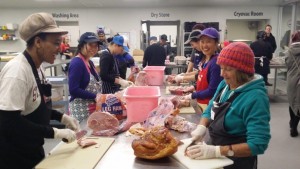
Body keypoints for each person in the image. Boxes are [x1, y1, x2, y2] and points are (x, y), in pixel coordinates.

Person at [0, 12, 80, 169]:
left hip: (32, 148)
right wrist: (54, 132)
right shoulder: (17, 72)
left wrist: (62, 117)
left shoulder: (38, 68)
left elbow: (37, 104)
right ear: (38, 42)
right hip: (14, 157)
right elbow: (8, 122)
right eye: (56, 43)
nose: (60, 48)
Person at [186, 42, 271, 169]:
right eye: (221, 67)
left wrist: (217, 151)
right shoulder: (225, 85)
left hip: (236, 161)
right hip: (214, 153)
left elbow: (258, 144)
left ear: (243, 71)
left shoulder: (256, 98)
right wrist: (202, 126)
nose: (222, 74)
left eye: (228, 69)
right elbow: (211, 107)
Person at [175, 27, 223, 113]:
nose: (204, 45)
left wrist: (192, 95)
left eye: (208, 41)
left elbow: (212, 91)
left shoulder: (216, 63)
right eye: (202, 41)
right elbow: (204, 80)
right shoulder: (205, 60)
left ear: (216, 43)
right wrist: (194, 87)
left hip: (209, 107)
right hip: (201, 103)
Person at [68, 32, 101, 122]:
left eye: (96, 46)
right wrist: (95, 96)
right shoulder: (77, 63)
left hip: (91, 109)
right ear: (82, 45)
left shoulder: (90, 62)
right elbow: (73, 90)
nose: (94, 49)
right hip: (80, 111)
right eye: (91, 45)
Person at [285, 30, 300, 137]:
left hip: (292, 79)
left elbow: (287, 64)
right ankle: (294, 126)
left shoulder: (288, 52)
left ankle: (292, 125)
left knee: (292, 101)